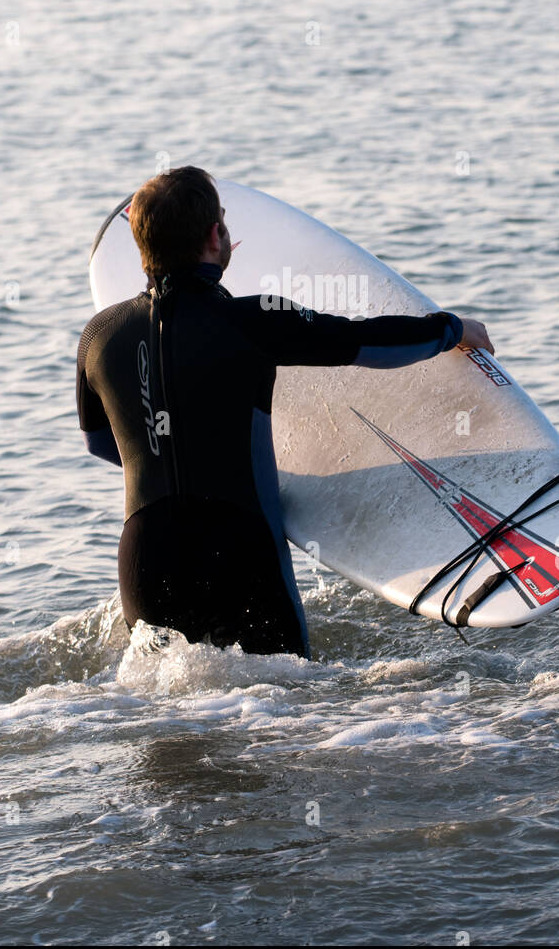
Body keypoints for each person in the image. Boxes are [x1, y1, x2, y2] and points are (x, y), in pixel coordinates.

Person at [76, 167, 493, 659]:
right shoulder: (253, 317)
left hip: (147, 558)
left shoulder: (98, 335)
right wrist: (450, 328)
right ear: (215, 236)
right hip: (239, 547)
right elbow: (362, 341)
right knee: (285, 712)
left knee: (172, 722)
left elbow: (104, 444)